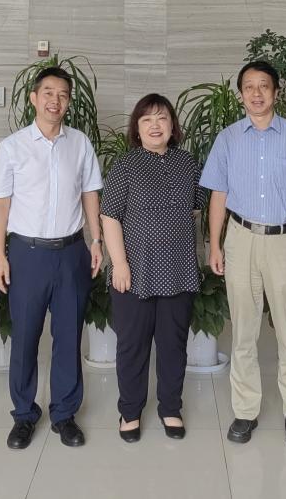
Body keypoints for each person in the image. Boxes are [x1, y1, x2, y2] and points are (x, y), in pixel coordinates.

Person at [204, 61, 286, 447]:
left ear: (275, 92)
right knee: (243, 329)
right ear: (241, 94)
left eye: (263, 86)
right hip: (240, 238)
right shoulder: (227, 139)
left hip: (284, 241)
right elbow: (218, 194)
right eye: (249, 87)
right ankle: (245, 411)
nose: (256, 93)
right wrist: (214, 242)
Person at [0, 66, 104, 450]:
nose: (55, 101)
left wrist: (96, 241)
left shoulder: (80, 143)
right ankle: (24, 415)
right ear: (34, 98)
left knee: (69, 336)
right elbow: (0, 206)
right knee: (25, 337)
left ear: (69, 102)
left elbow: (90, 194)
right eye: (48, 93)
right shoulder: (13, 146)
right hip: (27, 254)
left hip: (71, 252)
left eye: (63, 95)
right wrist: (0, 256)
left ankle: (64, 414)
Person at [101, 93, 204, 443]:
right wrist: (120, 263)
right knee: (132, 346)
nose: (155, 125)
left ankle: (170, 407)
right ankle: (130, 411)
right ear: (137, 128)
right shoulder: (125, 165)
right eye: (147, 119)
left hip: (179, 271)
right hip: (134, 272)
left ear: (172, 125)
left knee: (174, 344)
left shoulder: (187, 163)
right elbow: (110, 216)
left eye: (162, 118)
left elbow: (196, 208)